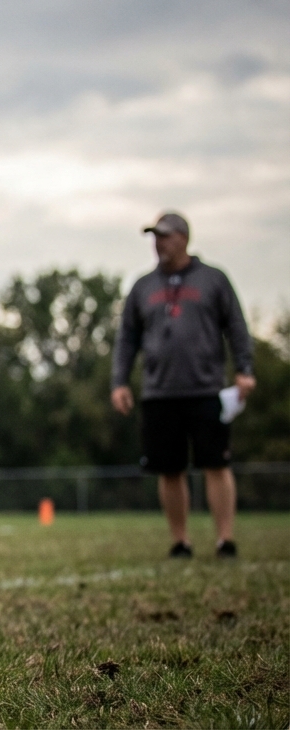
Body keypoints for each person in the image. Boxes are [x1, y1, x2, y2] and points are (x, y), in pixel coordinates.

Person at [111, 211, 255, 560]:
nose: (158, 243)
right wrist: (120, 381)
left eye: (165, 236)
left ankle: (225, 539)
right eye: (155, 237)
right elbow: (127, 338)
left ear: (184, 238)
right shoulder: (142, 286)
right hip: (159, 391)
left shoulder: (213, 279)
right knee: (169, 469)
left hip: (206, 387)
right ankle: (181, 541)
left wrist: (245, 368)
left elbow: (235, 326)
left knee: (215, 465)